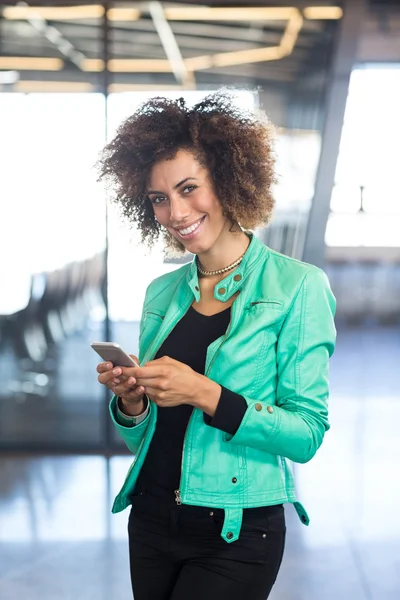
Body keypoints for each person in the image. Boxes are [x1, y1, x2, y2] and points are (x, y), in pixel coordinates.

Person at [96, 92, 336, 600]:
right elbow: (147, 438)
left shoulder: (296, 286)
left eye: (188, 189)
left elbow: (306, 434)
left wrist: (205, 393)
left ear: (226, 182)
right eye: (159, 198)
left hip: (237, 531)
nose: (175, 212)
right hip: (152, 519)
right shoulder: (162, 293)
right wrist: (132, 401)